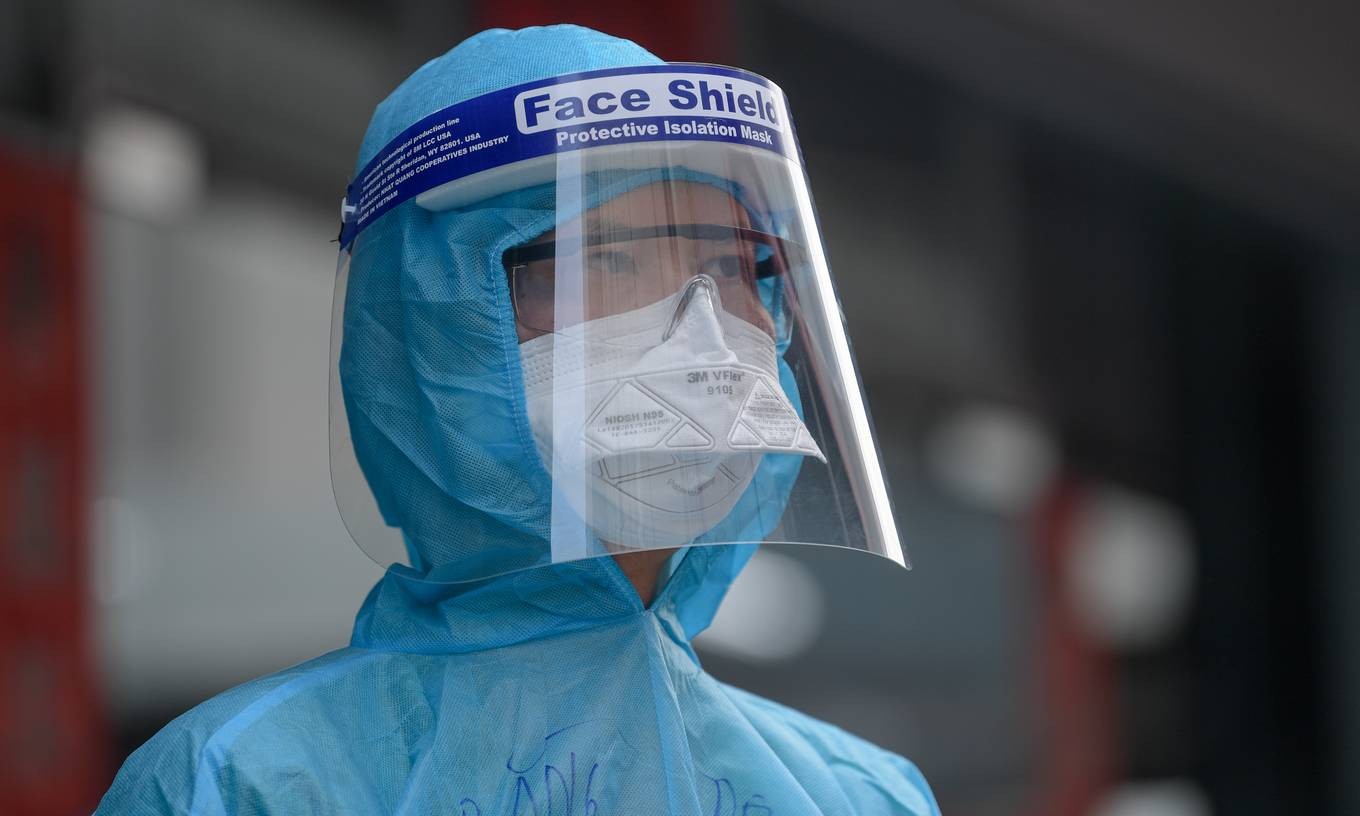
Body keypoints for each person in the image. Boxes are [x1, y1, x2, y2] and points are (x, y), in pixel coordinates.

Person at [97, 25, 940, 815]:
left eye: (728, 264)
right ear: (438, 331)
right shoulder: (247, 786)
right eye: (605, 261)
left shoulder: (863, 797)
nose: (703, 333)